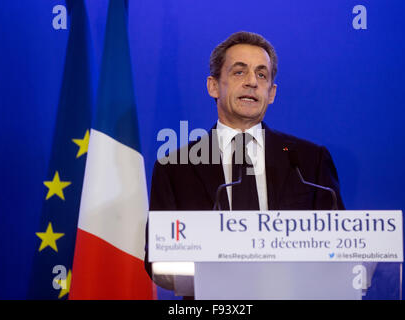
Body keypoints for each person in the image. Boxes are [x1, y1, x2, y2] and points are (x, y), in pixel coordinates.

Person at [145, 31, 345, 290]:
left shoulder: (309, 160)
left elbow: (340, 248)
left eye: (262, 75)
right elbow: (158, 259)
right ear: (213, 86)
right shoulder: (175, 168)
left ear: (271, 92)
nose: (252, 82)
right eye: (239, 72)